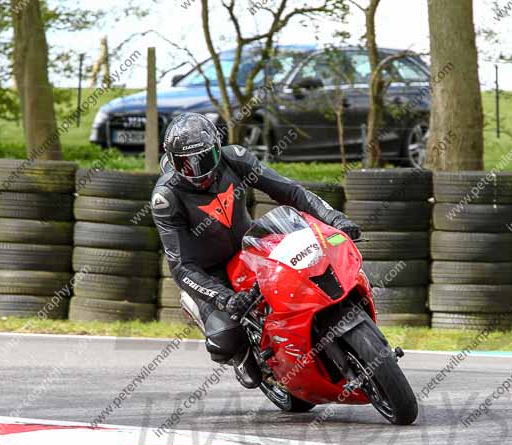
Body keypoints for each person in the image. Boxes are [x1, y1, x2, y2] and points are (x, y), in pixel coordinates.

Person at [151, 113, 361, 388]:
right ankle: (241, 353)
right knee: (227, 340)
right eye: (186, 164)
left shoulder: (235, 158)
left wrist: (335, 219)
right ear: (171, 160)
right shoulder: (166, 198)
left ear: (217, 147)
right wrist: (223, 298)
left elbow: (291, 192)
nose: (198, 172)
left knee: (309, 273)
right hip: (209, 272)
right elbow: (180, 267)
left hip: (250, 246)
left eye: (204, 159)